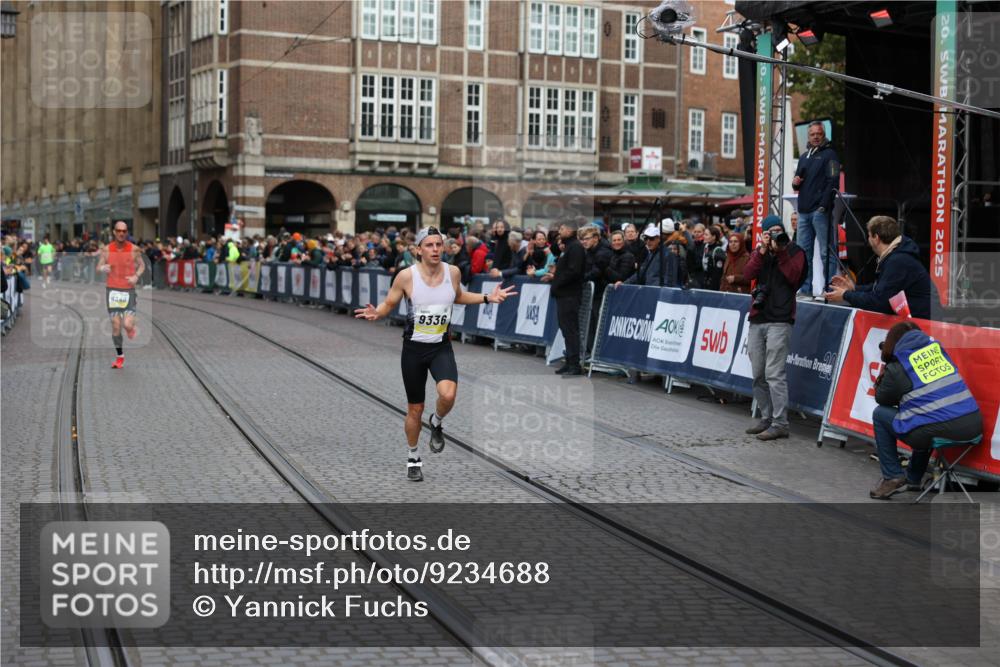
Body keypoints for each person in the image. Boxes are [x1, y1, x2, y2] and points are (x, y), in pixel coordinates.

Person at [354, 227, 516, 481]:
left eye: (439, 245)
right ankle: (413, 457)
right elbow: (389, 303)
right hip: (414, 350)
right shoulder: (406, 277)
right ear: (418, 250)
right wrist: (379, 313)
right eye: (429, 245)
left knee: (448, 394)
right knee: (414, 409)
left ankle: (437, 421)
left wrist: (487, 298)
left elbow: (459, 296)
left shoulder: (452, 272)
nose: (435, 249)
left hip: (441, 346)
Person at [869, 321, 982, 499]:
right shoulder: (939, 352)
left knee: (881, 414)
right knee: (924, 416)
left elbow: (882, 399)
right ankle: (913, 478)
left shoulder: (899, 366)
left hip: (939, 428)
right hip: (973, 426)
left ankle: (892, 476)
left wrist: (886, 371)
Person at [743, 215, 807, 440]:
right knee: (758, 373)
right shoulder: (760, 252)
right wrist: (761, 251)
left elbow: (793, 277)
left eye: (780, 230)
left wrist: (780, 251)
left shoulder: (795, 252)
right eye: (772, 231)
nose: (776, 235)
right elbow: (747, 274)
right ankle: (766, 417)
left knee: (774, 374)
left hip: (781, 320)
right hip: (758, 319)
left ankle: (781, 423)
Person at [824, 215, 938, 320]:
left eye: (869, 236)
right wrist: (854, 289)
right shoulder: (897, 255)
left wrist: (845, 295)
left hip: (924, 323)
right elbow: (880, 289)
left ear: (876, 238)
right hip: (921, 319)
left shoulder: (898, 261)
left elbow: (879, 302)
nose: (868, 240)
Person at [792, 121, 840, 295]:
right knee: (803, 254)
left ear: (823, 134)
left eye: (819, 133)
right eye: (812, 134)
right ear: (808, 136)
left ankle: (829, 291)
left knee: (827, 252)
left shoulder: (831, 154)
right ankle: (805, 290)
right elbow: (797, 183)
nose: (816, 137)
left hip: (820, 211)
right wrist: (794, 183)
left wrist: (823, 206)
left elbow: (833, 181)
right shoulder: (804, 156)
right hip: (804, 212)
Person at [96, 221, 145, 369]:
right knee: (116, 327)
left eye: (124, 231)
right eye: (118, 231)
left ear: (127, 232)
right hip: (112, 291)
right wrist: (102, 268)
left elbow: (142, 265)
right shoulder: (106, 250)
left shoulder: (134, 249)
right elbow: (98, 267)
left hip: (128, 290)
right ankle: (119, 356)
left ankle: (130, 328)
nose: (121, 233)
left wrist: (136, 276)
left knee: (127, 324)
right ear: (114, 232)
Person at [543, 220, 586, 375]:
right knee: (565, 329)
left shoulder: (575, 247)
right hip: (563, 294)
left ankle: (575, 364)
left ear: (571, 230)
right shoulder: (568, 247)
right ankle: (569, 361)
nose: (559, 231)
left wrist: (558, 281)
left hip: (570, 295)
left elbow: (574, 271)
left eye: (562, 228)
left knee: (571, 329)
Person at [616, 222, 686, 288]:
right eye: (646, 238)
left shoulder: (669, 255)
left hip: (659, 295)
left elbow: (670, 281)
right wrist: (624, 283)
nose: (648, 241)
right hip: (650, 293)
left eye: (651, 238)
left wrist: (662, 297)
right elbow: (640, 273)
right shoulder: (650, 254)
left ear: (658, 239)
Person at [701, 225, 727, 291]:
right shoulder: (706, 247)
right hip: (705, 283)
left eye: (706, 235)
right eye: (704, 234)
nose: (704, 236)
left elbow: (718, 274)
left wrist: (712, 288)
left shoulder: (718, 251)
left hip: (713, 286)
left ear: (714, 237)